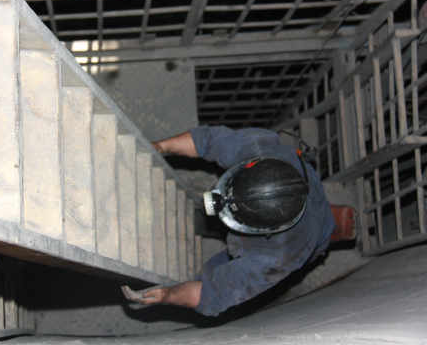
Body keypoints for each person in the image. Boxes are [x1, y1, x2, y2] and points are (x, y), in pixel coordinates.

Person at [121, 126, 335, 316]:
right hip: (305, 188)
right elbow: (208, 141)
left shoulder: (276, 256)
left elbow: (213, 293)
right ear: (250, 166)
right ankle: (207, 222)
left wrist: (169, 295)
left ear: (264, 231)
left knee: (211, 273)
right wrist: (160, 147)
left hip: (314, 231)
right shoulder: (257, 149)